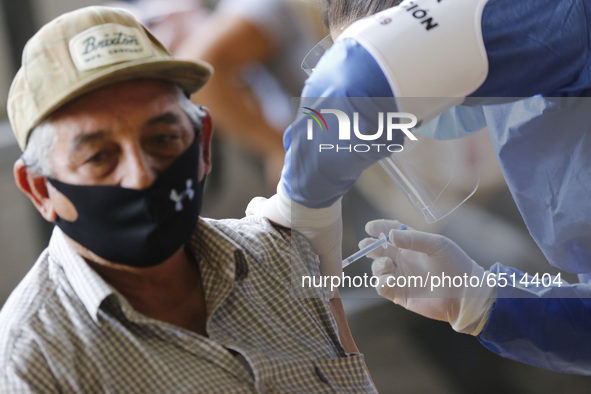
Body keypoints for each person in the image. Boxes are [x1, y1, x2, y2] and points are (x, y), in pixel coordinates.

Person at [0, 6, 376, 392]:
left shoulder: (281, 258)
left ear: (203, 144)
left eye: (163, 140)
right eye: (99, 157)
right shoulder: (35, 362)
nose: (141, 174)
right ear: (40, 189)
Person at [247, 0, 591, 375]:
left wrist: (298, 206)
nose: (405, 123)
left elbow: (356, 79)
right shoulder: (527, 80)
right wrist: (478, 300)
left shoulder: (554, 14)